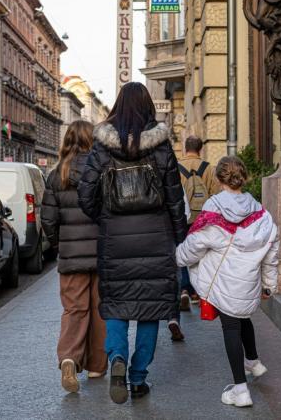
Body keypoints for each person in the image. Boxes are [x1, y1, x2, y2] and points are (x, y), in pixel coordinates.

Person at [78, 82, 187, 404]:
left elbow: (86, 196)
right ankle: (138, 378)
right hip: (156, 237)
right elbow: (174, 196)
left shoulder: (101, 147)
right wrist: (179, 236)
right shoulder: (161, 146)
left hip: (115, 240)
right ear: (147, 106)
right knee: (150, 310)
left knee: (116, 306)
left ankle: (117, 360)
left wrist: (107, 218)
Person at [176, 156, 279, 408]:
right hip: (248, 281)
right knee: (243, 319)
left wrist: (179, 256)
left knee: (231, 327)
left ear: (219, 178)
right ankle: (253, 362)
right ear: (242, 177)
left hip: (224, 281)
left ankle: (240, 390)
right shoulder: (259, 211)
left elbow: (198, 242)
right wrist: (269, 283)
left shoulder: (214, 207)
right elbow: (272, 248)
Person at [42, 120, 106, 394]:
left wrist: (61, 245)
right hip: (101, 254)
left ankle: (69, 357)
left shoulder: (57, 175)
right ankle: (95, 366)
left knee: (74, 309)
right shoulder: (101, 172)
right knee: (100, 311)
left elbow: (48, 220)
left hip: (71, 257)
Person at [168, 136, 220, 341]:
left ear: (184, 148)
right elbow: (215, 195)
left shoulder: (176, 166)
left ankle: (184, 290)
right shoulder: (208, 168)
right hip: (203, 218)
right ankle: (199, 292)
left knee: (182, 252)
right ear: (201, 148)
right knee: (201, 254)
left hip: (183, 217)